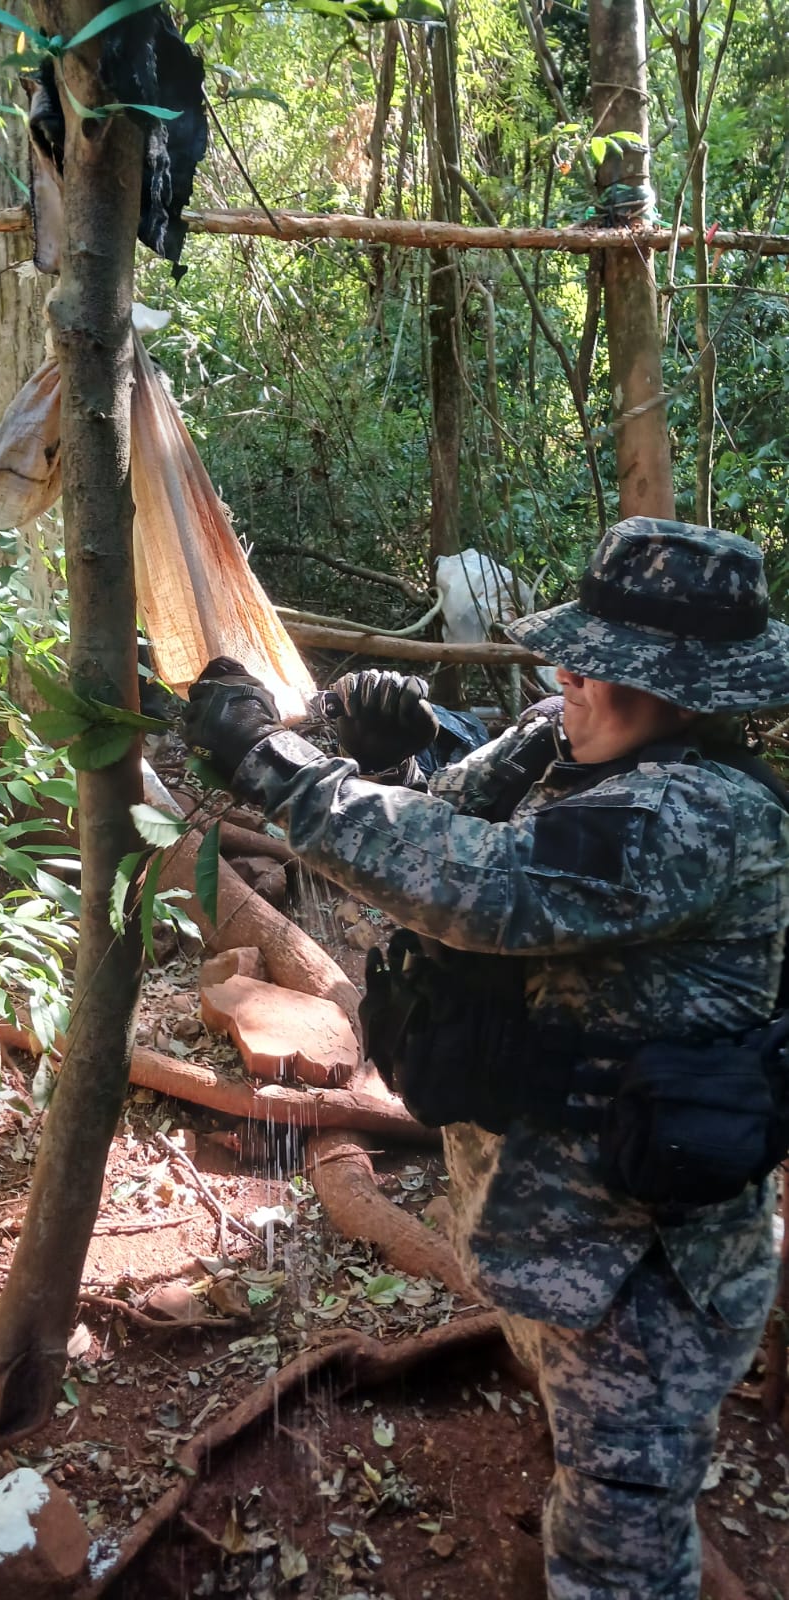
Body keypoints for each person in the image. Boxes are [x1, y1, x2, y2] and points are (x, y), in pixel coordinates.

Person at [182, 517, 789, 1600]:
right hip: (550, 1235)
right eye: (578, 655)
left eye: (602, 668)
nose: (568, 678)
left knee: (622, 1560)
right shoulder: (581, 743)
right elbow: (457, 808)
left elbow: (488, 882)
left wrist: (280, 767)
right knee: (586, 1462)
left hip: (639, 1278)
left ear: (679, 695)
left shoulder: (701, 815)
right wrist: (399, 752)